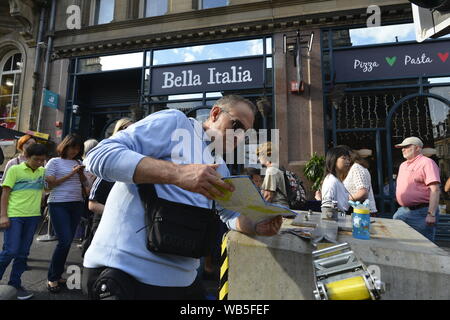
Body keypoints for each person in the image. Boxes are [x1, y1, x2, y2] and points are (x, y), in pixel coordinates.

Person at [82, 94, 282, 300]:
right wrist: (179, 174)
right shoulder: (176, 123)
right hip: (126, 276)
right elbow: (99, 156)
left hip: (184, 283)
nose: (240, 137)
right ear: (215, 114)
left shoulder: (221, 166)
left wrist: (255, 225)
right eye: (237, 125)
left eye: (246, 133)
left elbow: (228, 213)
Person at [0, 143, 47, 300]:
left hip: (33, 216)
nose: (40, 163)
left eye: (42, 160)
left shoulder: (42, 172)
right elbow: (5, 194)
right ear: (27, 157)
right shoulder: (14, 169)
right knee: (10, 251)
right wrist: (3, 216)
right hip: (15, 215)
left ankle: (15, 284)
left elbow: (45, 189)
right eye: (36, 159)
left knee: (23, 253)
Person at [44, 133, 89, 293]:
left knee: (68, 241)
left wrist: (81, 173)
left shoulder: (79, 162)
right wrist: (72, 173)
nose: (75, 151)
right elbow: (51, 183)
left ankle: (57, 275)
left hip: (76, 203)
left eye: (78, 149)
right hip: (58, 204)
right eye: (72, 147)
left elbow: (86, 184)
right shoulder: (54, 162)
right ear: (65, 146)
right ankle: (52, 278)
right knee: (64, 241)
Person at [393, 137, 441, 242]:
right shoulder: (403, 165)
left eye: (406, 147)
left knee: (423, 246)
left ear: (417, 148)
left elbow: (435, 190)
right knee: (400, 244)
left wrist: (431, 214)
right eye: (402, 147)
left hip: (422, 212)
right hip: (403, 211)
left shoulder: (427, 163)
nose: (403, 149)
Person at [344, 150, 377, 215]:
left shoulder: (356, 167)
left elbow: (363, 193)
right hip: (362, 211)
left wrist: (344, 200)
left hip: (362, 213)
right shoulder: (358, 167)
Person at [321, 145, 352, 213]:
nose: (348, 162)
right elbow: (327, 208)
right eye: (344, 158)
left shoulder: (337, 180)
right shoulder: (331, 181)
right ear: (333, 160)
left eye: (348, 159)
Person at [257, 142, 289, 206]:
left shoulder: (271, 170)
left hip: (277, 208)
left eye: (259, 155)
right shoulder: (278, 168)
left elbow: (268, 196)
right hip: (282, 207)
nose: (258, 158)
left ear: (265, 155)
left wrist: (260, 210)